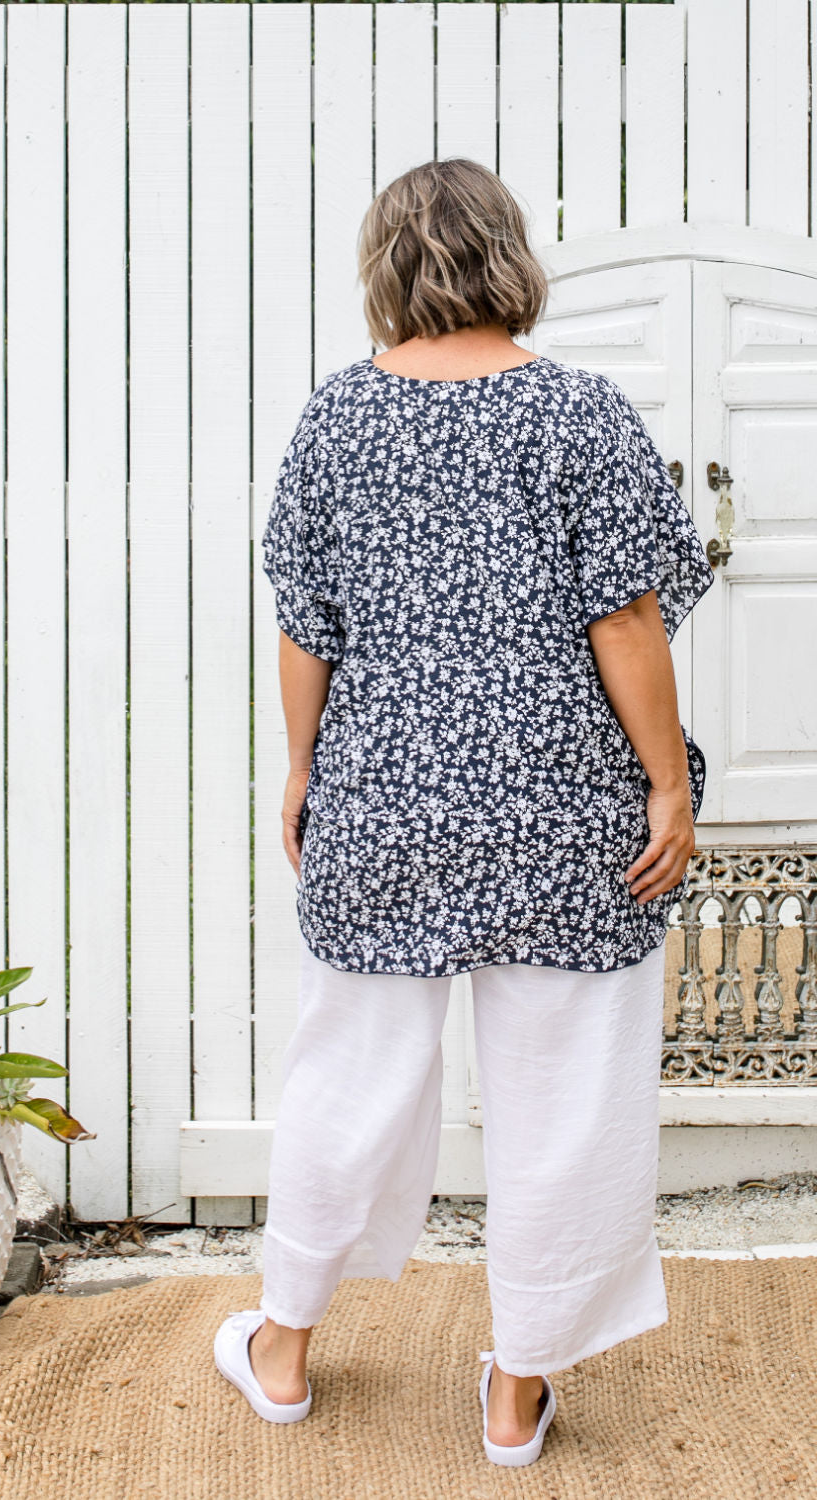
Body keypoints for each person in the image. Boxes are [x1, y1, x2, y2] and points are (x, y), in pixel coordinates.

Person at [213, 157, 714, 1467]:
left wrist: (306, 768)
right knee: (565, 1099)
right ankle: (517, 1387)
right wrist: (665, 782)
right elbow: (629, 619)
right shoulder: (583, 416)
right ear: (510, 258)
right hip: (562, 823)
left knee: (349, 1083)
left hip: (384, 817)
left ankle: (281, 1350)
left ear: (386, 270)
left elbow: (304, 629)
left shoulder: (335, 421)